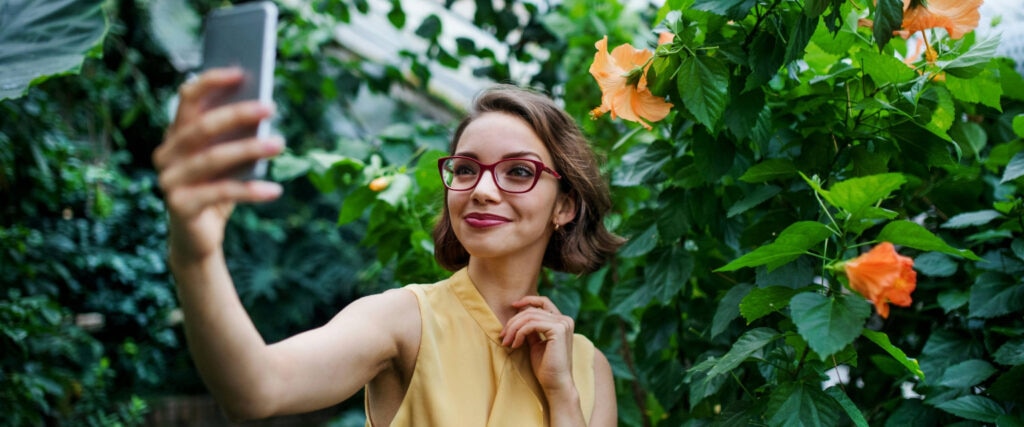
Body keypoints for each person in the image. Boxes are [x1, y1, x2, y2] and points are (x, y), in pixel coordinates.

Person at [153, 67, 623, 426]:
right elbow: (257, 389)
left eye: (518, 172)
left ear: (565, 206)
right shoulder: (403, 320)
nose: (482, 190)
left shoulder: (589, 369)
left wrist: (562, 394)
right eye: (465, 169)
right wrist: (195, 255)